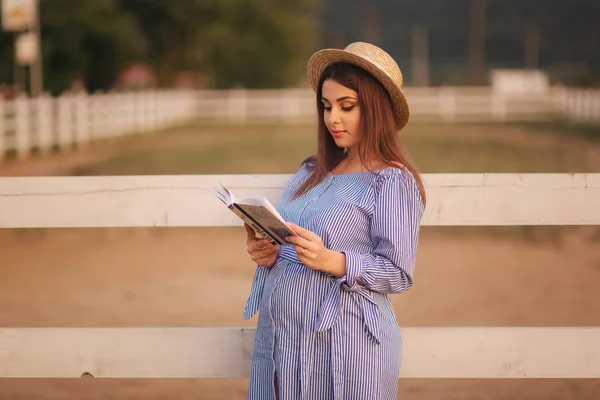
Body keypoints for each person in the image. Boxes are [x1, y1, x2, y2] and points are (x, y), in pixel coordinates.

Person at [242, 42, 427, 400]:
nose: (332, 119)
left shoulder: (391, 181)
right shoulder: (311, 170)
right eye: (326, 107)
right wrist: (267, 251)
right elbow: (289, 242)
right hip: (284, 339)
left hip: (347, 344)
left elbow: (398, 272)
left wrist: (335, 261)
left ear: (375, 108)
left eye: (347, 106)